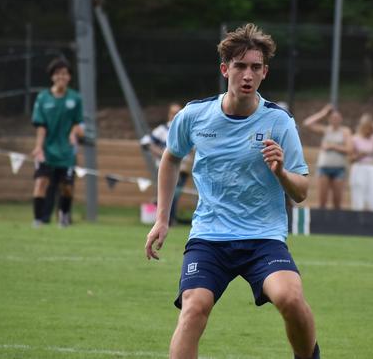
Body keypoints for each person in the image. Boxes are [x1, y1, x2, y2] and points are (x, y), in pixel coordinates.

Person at [145, 23, 319, 359]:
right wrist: (162, 220)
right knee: (194, 308)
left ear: (264, 73)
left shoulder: (279, 122)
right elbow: (169, 160)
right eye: (239, 66)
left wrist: (281, 171)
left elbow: (301, 192)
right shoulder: (194, 115)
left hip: (263, 237)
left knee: (291, 299)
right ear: (225, 69)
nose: (247, 75)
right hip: (210, 236)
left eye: (255, 67)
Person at [31, 57, 83, 227]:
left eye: (65, 74)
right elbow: (41, 126)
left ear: (69, 77)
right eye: (58, 74)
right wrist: (38, 147)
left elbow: (78, 123)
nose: (62, 77)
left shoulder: (75, 99)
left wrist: (74, 134)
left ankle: (64, 216)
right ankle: (38, 220)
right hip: (47, 149)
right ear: (52, 76)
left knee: (67, 187)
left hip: (66, 151)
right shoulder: (43, 98)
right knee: (41, 183)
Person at [140, 103, 194, 224]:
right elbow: (145, 142)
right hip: (166, 168)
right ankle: (167, 219)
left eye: (178, 112)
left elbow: (192, 149)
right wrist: (161, 154)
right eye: (173, 112)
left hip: (182, 169)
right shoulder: (163, 129)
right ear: (169, 114)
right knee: (169, 194)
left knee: (175, 195)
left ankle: (169, 219)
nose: (175, 115)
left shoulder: (187, 129)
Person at [302, 104, 352, 209]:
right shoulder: (326, 130)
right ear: (329, 119)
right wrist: (323, 113)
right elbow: (307, 123)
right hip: (324, 168)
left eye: (337, 118)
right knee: (322, 202)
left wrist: (332, 146)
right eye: (333, 118)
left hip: (339, 168)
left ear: (341, 119)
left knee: (337, 203)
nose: (335, 120)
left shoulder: (345, 131)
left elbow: (349, 149)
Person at [349, 113, 373, 211]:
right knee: (358, 193)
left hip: (371, 167)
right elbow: (350, 158)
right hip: (359, 166)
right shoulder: (354, 138)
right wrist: (359, 155)